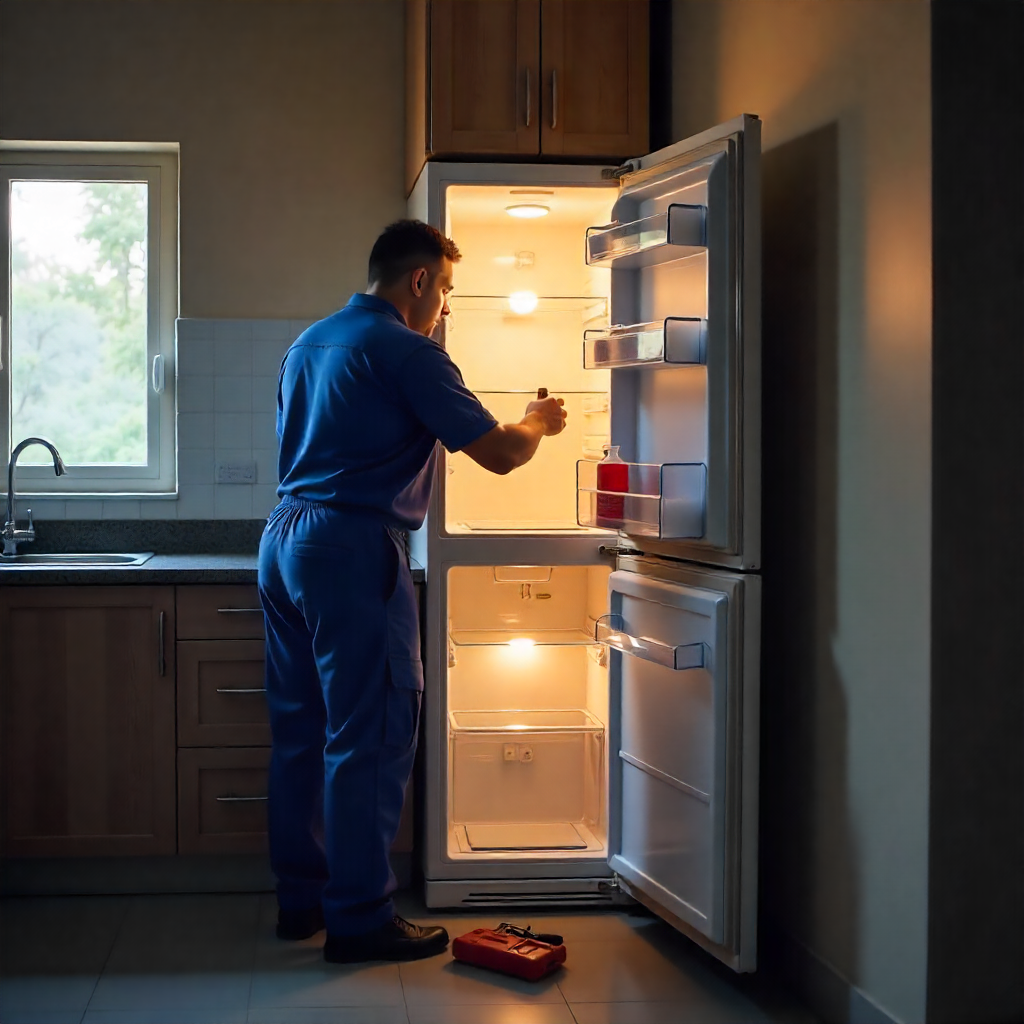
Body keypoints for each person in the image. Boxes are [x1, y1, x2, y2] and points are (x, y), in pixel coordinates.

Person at [257, 219, 567, 964]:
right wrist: (538, 421)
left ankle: (301, 904)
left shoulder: (311, 342)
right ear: (420, 279)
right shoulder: (408, 349)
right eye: (447, 290)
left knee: (301, 733)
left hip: (284, 539)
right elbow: (497, 453)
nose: (445, 308)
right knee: (370, 733)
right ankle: (360, 919)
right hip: (351, 547)